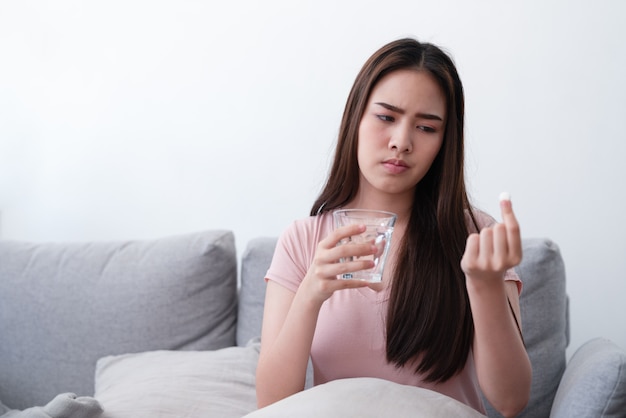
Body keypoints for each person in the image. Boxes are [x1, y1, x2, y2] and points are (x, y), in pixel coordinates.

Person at [256, 37, 532, 417]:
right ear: (356, 118)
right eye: (386, 118)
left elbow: (512, 400)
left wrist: (484, 287)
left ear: (444, 142)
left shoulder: (475, 236)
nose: (401, 142)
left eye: (426, 128)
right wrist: (310, 295)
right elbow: (270, 405)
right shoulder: (302, 240)